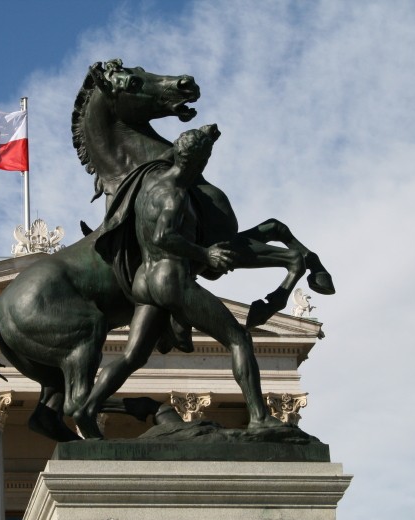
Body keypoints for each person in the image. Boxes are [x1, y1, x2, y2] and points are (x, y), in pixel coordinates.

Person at [77, 126, 283, 436]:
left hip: (144, 281)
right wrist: (205, 253)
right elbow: (164, 235)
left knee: (132, 356)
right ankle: (258, 417)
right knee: (239, 338)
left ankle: (86, 407)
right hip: (170, 279)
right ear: (201, 163)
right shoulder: (175, 193)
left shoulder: (146, 185)